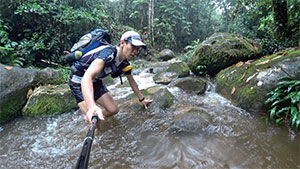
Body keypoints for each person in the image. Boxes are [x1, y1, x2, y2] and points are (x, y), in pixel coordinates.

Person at [68, 30, 152, 124]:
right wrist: (92, 106)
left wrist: (142, 99)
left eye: (138, 49)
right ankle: (93, 121)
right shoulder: (108, 53)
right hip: (79, 81)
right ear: (123, 43)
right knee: (94, 120)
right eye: (133, 47)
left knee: (113, 109)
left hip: (96, 81)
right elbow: (87, 77)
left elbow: (132, 81)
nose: (135, 51)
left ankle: (95, 119)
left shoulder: (124, 64)